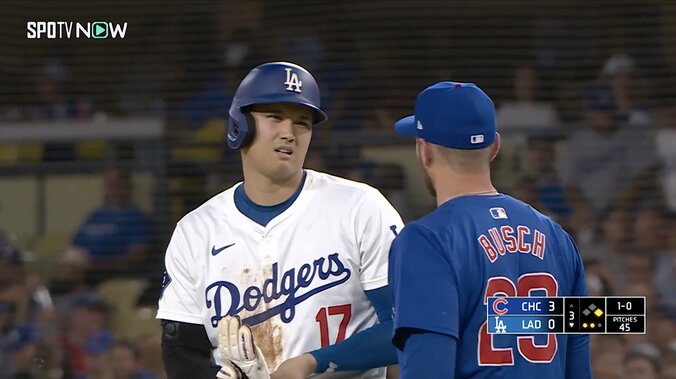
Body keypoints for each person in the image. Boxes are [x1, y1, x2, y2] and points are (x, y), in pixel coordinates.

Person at [157, 62, 404, 379]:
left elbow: (405, 326)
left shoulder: (361, 208)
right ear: (240, 125)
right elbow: (180, 351)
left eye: (302, 123)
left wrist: (312, 362)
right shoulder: (195, 231)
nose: (289, 133)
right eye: (274, 117)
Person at [388, 81, 591, 378]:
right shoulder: (557, 237)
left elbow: (428, 368)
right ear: (494, 147)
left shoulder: (426, 241)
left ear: (424, 151)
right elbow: (579, 361)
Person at [69, 166, 152, 284]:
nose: (113, 190)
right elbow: (75, 247)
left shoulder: (135, 217)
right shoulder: (95, 215)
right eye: (109, 185)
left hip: (106, 274)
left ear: (127, 187)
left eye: (117, 184)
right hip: (80, 270)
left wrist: (99, 265)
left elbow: (137, 255)